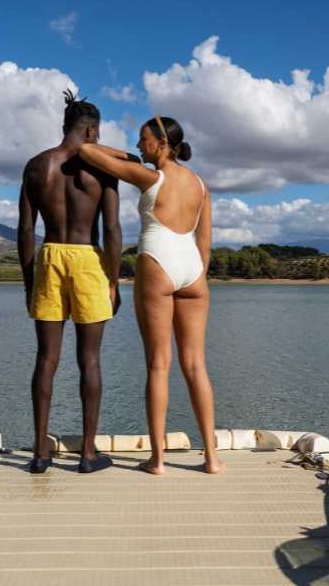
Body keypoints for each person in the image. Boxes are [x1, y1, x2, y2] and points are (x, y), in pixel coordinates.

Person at [79, 116, 224, 475]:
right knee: (196, 366)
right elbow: (205, 242)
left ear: (161, 143)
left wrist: (131, 157)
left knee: (159, 365)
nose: (139, 145)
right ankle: (212, 458)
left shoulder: (150, 176)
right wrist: (196, 276)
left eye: (143, 140)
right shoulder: (201, 185)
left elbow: (86, 150)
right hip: (192, 268)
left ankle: (158, 460)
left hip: (158, 261)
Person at [17, 90, 122, 474]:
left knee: (46, 360)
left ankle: (39, 454)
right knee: (89, 360)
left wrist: (29, 281)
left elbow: (26, 229)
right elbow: (111, 228)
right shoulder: (104, 168)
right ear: (92, 130)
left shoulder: (36, 165)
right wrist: (114, 280)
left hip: (49, 256)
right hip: (88, 258)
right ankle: (88, 455)